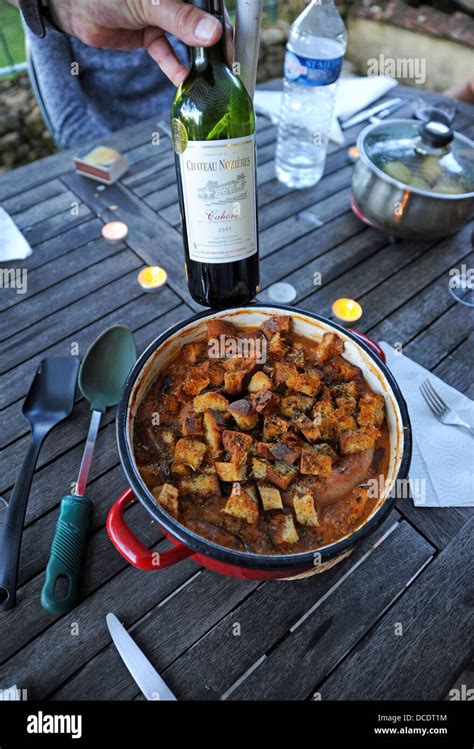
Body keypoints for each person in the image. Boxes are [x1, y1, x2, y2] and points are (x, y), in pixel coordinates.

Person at [9, 0, 233, 148]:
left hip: (192, 126)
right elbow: (70, 125)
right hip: (121, 144)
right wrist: (130, 155)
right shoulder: (46, 17)